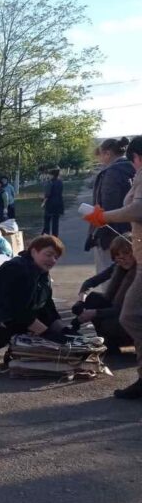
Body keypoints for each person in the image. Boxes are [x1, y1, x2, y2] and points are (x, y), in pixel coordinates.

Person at [82, 136, 142, 399]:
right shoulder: (132, 173)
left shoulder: (121, 173)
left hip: (121, 240)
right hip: (133, 246)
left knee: (129, 314)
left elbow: (138, 208)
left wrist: (101, 217)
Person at [0, 235, 66, 371]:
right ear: (33, 251)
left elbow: (46, 305)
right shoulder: (16, 269)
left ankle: (15, 352)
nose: (52, 260)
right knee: (12, 329)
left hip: (3, 315)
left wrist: (63, 330)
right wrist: (47, 333)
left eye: (56, 257)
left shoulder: (42, 273)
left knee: (36, 323)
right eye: (48, 255)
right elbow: (18, 311)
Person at [70, 235, 136, 353]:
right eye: (118, 256)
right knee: (93, 298)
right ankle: (109, 343)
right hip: (117, 310)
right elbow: (90, 282)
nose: (122, 259)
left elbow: (126, 309)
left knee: (107, 323)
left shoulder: (139, 272)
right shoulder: (117, 266)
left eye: (126, 254)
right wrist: (81, 300)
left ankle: (117, 340)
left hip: (133, 319)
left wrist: (95, 313)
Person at [86, 137, 134, 275]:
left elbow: (107, 207)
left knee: (110, 277)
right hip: (133, 231)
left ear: (107, 153)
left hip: (112, 237)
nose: (100, 161)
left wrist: (97, 230)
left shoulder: (111, 173)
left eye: (100, 155)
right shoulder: (134, 168)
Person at [41, 168, 64, 237]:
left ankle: (45, 236)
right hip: (59, 203)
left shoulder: (50, 182)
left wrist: (43, 203)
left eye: (49, 174)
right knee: (55, 223)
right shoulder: (60, 182)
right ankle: (55, 237)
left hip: (50, 204)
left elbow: (47, 194)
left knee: (47, 221)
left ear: (52, 175)